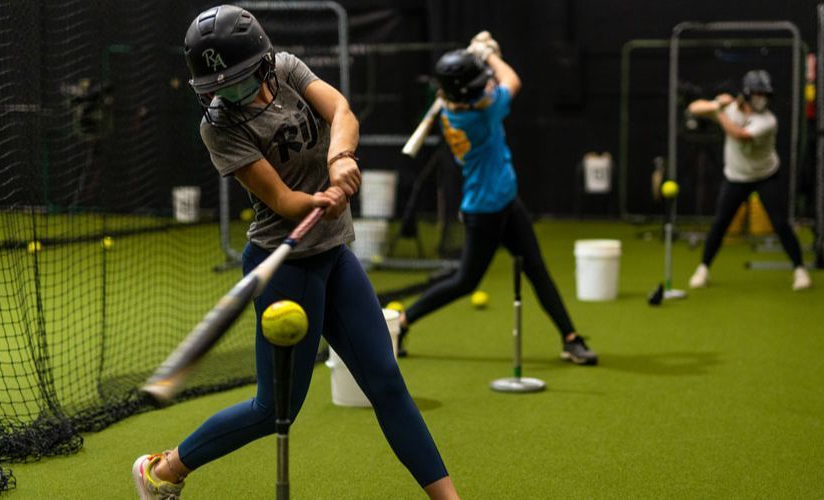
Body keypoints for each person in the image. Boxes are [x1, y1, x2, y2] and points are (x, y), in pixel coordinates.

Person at [131, 6, 459, 499]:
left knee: (387, 383)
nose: (229, 92)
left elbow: (341, 111)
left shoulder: (285, 69)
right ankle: (164, 470)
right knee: (275, 410)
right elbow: (283, 201)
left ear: (261, 62)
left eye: (238, 79)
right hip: (283, 266)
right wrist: (319, 200)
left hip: (334, 256)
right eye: (219, 85)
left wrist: (340, 157)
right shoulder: (218, 126)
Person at [396, 33, 598, 366]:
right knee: (465, 282)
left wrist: (477, 60)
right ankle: (404, 321)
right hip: (483, 213)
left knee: (537, 270)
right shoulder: (480, 115)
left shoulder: (449, 107)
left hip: (507, 201)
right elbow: (511, 80)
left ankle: (570, 338)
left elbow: (479, 88)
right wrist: (489, 54)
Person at [686, 70, 812, 291]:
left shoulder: (768, 121)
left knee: (780, 223)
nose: (762, 99)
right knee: (720, 224)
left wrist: (720, 112)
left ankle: (800, 270)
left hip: (765, 176)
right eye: (757, 94)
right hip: (736, 177)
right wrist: (716, 104)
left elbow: (739, 134)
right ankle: (703, 269)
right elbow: (693, 108)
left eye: (765, 95)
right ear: (746, 93)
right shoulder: (729, 109)